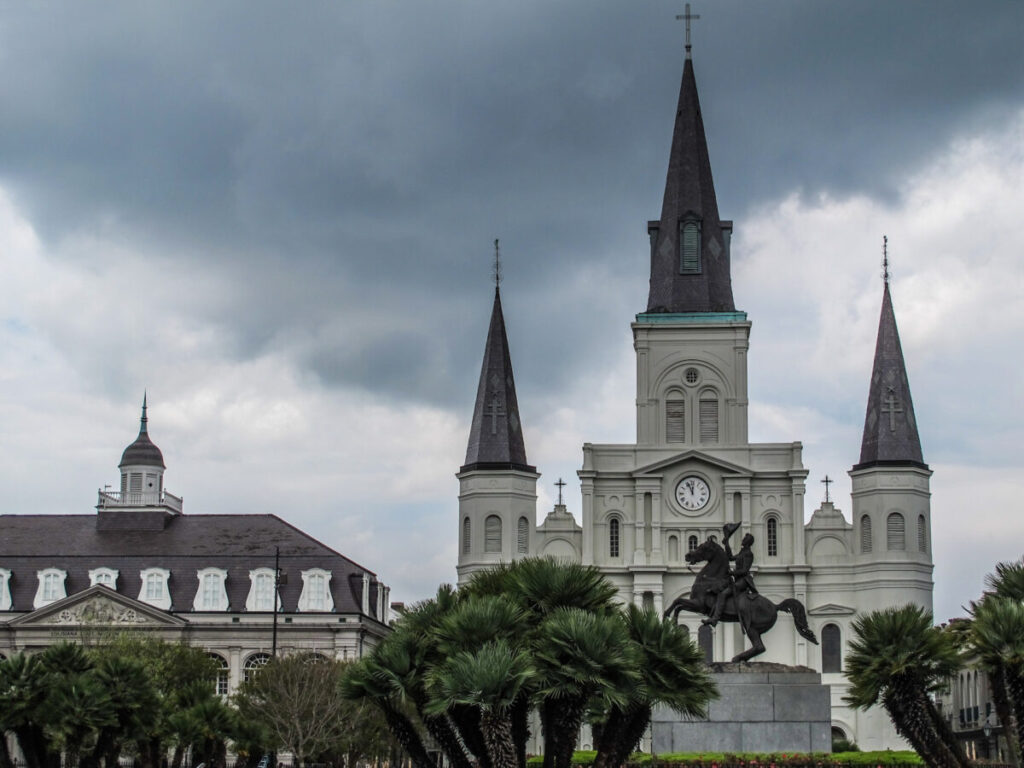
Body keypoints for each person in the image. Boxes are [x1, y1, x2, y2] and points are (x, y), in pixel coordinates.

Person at [703, 523, 757, 627]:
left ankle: (715, 619)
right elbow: (730, 557)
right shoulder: (742, 552)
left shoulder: (748, 554)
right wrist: (726, 543)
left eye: (745, 538)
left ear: (748, 542)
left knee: (723, 594)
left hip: (743, 581)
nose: (743, 539)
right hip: (737, 579)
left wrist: (732, 572)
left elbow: (745, 570)